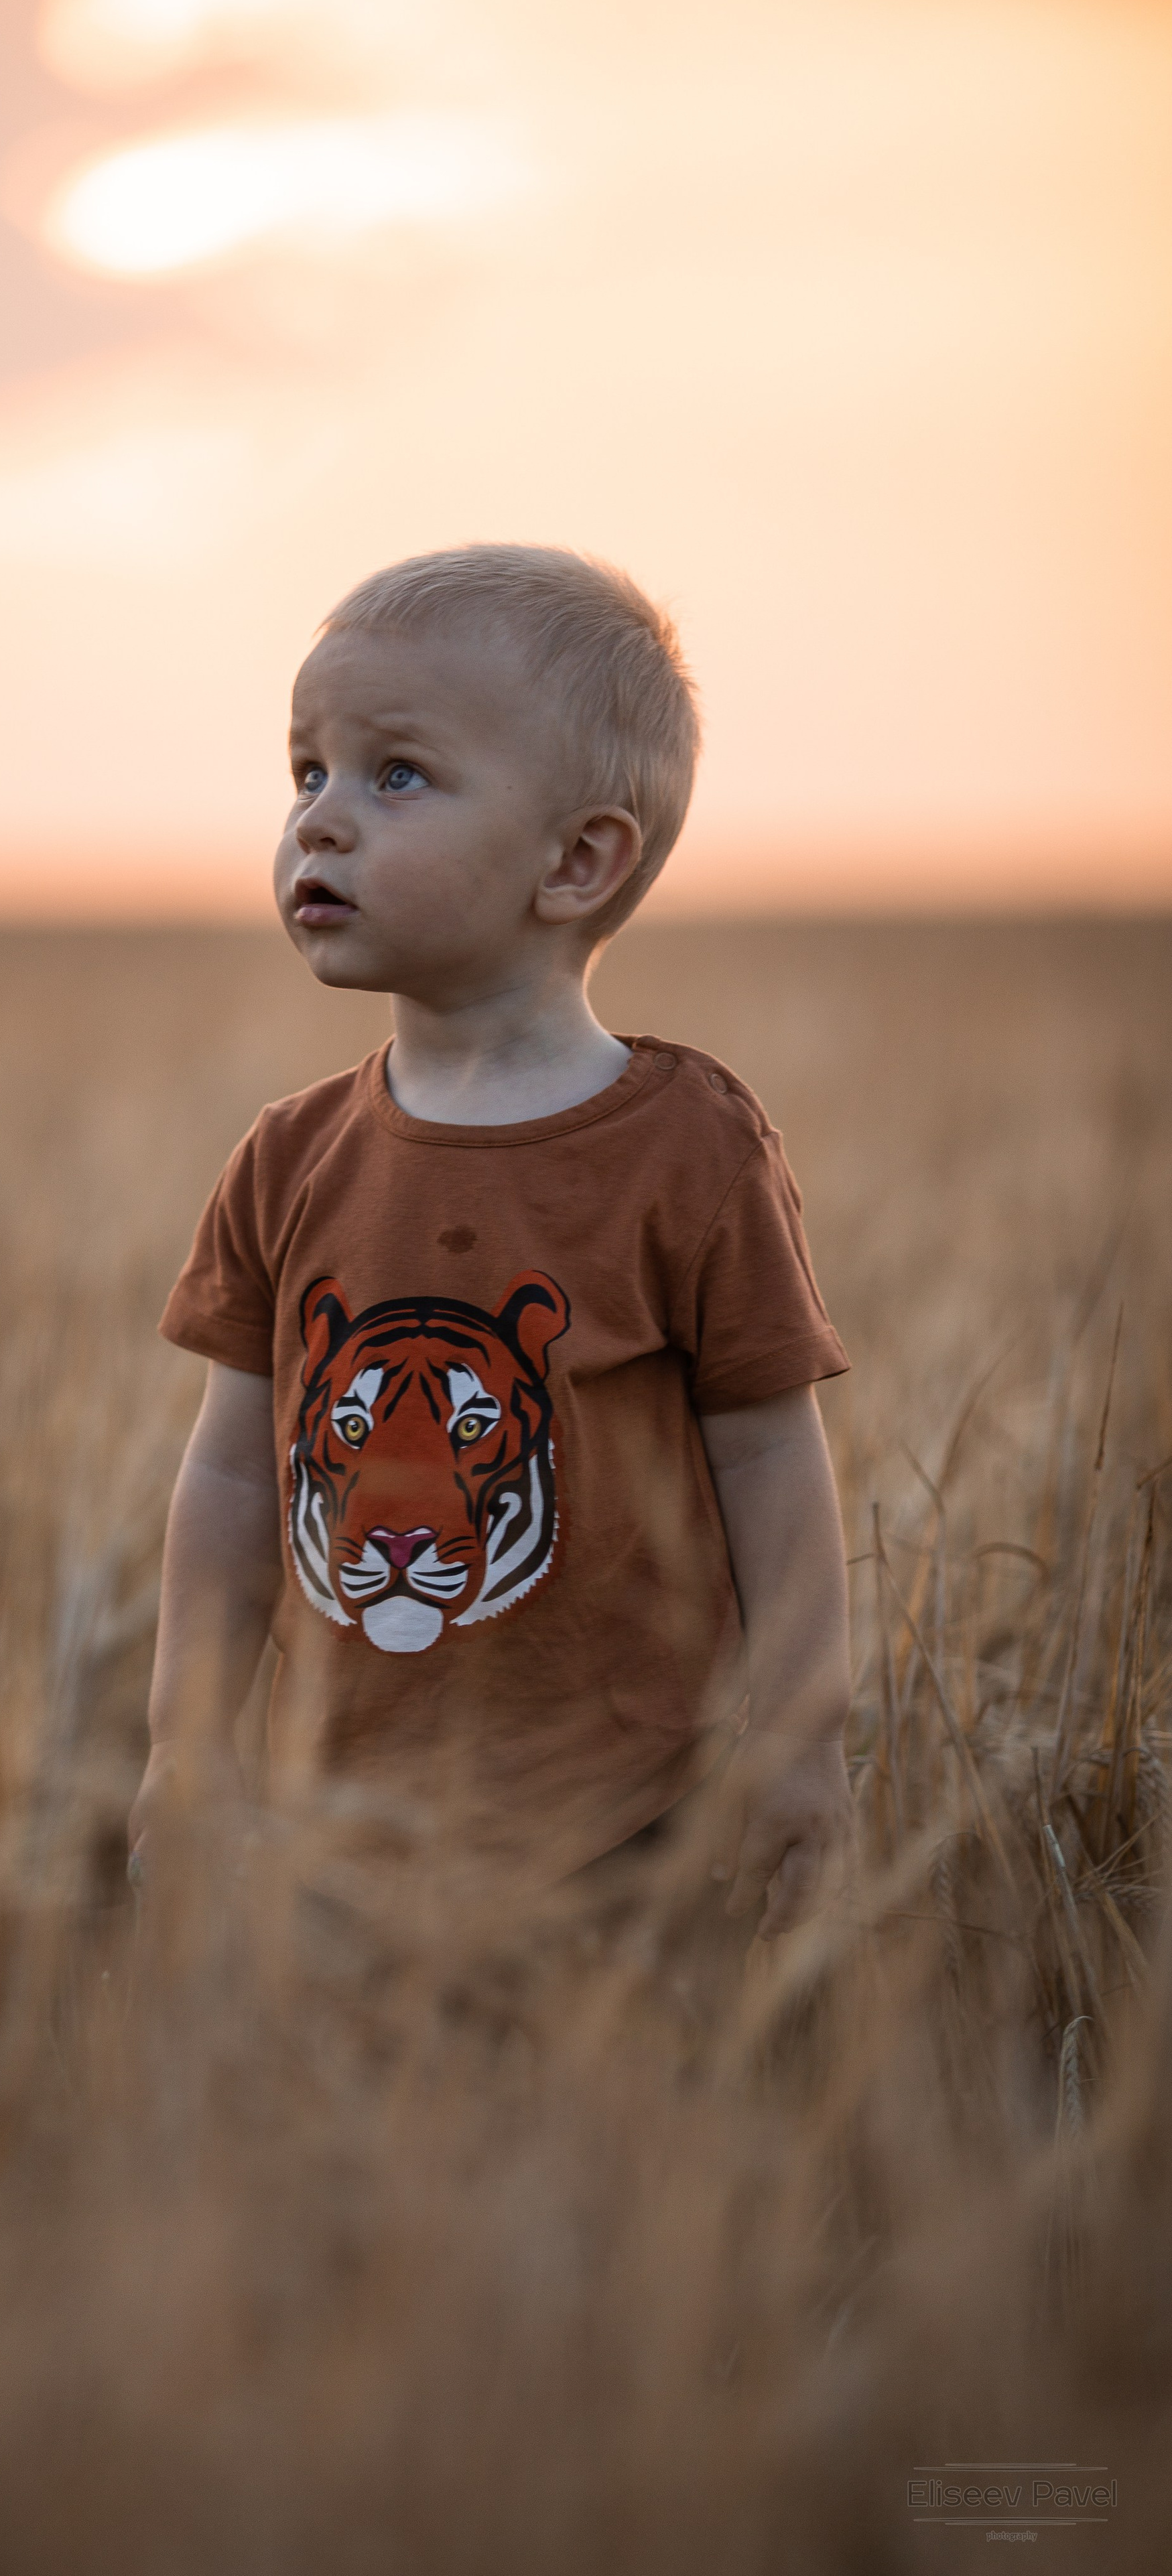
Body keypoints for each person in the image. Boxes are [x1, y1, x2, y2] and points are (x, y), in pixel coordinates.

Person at [131, 543, 854, 1939]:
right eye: (305, 773)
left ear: (575, 860)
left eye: (393, 774)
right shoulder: (289, 1157)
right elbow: (229, 1478)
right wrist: (187, 1741)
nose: (321, 822)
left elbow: (769, 1454)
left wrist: (801, 1740)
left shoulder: (692, 1146)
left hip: (632, 1827)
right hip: (334, 1830)